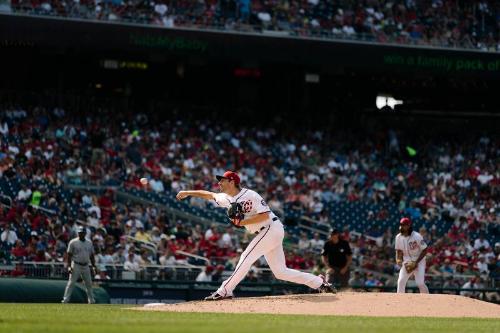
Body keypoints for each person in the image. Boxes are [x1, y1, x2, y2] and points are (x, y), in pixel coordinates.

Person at [176, 170, 335, 300]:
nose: (219, 183)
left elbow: (265, 215)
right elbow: (209, 195)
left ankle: (224, 290)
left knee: (246, 257)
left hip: (271, 227)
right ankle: (319, 282)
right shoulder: (226, 198)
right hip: (267, 232)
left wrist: (241, 222)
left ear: (232, 182)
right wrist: (188, 192)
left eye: (222, 180)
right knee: (280, 272)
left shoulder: (250, 195)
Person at [61, 226, 96, 304]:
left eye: (82, 232)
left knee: (89, 283)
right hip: (76, 264)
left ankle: (91, 300)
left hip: (86, 265)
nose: (80, 234)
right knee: (71, 283)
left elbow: (92, 255)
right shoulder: (73, 242)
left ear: (85, 233)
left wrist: (94, 266)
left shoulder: (89, 242)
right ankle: (65, 299)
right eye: (79, 232)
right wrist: (69, 266)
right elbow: (69, 255)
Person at [395, 217, 429, 293]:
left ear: (409, 225)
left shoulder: (417, 236)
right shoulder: (398, 237)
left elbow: (425, 249)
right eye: (402, 225)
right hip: (407, 261)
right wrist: (398, 259)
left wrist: (416, 262)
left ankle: (427, 298)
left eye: (405, 225)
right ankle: (399, 300)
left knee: (420, 283)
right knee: (401, 281)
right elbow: (398, 250)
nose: (403, 226)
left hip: (419, 261)